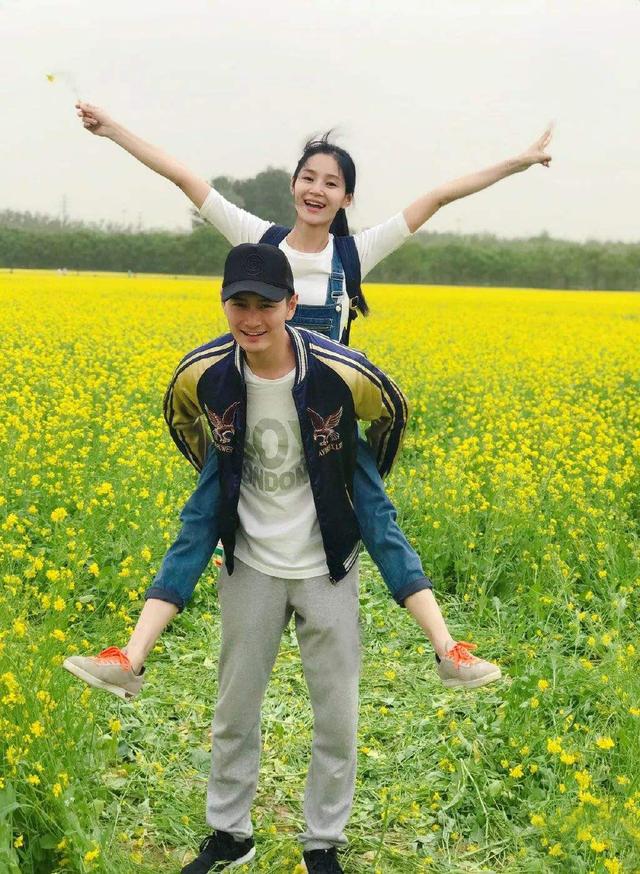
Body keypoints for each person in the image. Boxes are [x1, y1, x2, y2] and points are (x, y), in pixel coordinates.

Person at [66, 102, 552, 693]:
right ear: (293, 184)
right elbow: (184, 179)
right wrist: (113, 130)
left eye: (332, 183)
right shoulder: (259, 240)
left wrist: (519, 162)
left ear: (346, 198)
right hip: (249, 412)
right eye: (309, 177)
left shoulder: (352, 255)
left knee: (378, 518)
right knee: (200, 519)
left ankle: (448, 650)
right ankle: (130, 659)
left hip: (327, 422)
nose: (317, 190)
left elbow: (439, 196)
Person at [73, 242, 424, 872]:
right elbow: (183, 423)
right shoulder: (206, 372)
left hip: (326, 566)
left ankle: (323, 843)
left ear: (291, 304)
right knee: (234, 711)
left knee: (337, 719)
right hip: (252, 565)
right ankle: (230, 834)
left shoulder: (339, 374)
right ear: (224, 303)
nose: (253, 317)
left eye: (267, 304)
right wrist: (226, 475)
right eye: (240, 303)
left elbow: (392, 416)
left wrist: (346, 484)